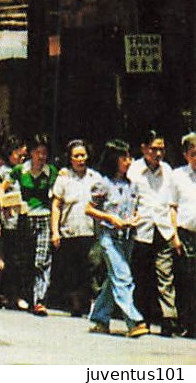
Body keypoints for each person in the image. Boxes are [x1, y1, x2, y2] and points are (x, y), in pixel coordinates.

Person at [87, 139, 149, 338]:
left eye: (129, 157)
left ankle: (100, 318)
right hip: (109, 237)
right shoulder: (103, 183)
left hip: (127, 237)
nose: (129, 162)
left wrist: (135, 218)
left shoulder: (131, 185)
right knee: (123, 277)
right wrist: (110, 218)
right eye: (124, 158)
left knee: (114, 278)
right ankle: (134, 321)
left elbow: (135, 208)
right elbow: (89, 208)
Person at [128, 129, 179, 336]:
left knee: (165, 275)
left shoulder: (168, 170)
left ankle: (169, 319)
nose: (158, 154)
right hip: (142, 229)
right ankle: (143, 318)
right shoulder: (134, 170)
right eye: (154, 149)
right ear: (144, 148)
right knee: (142, 276)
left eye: (162, 149)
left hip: (163, 228)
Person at [50, 139, 102, 317]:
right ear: (70, 158)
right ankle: (76, 305)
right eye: (76, 156)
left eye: (83, 155)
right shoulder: (64, 179)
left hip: (90, 231)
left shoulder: (96, 178)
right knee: (72, 270)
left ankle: (95, 304)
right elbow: (56, 205)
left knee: (92, 267)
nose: (80, 159)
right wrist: (55, 231)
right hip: (69, 231)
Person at [6, 135, 57, 314]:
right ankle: (24, 295)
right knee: (25, 258)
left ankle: (39, 299)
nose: (41, 156)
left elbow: (55, 197)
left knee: (41, 259)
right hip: (25, 218)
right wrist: (9, 206)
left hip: (44, 217)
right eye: (38, 152)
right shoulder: (20, 171)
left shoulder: (51, 171)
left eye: (44, 153)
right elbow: (4, 188)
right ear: (31, 153)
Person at [0, 136, 29, 309]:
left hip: (24, 219)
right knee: (13, 258)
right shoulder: (2, 172)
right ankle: (14, 295)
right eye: (20, 155)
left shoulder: (26, 171)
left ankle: (2, 294)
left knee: (18, 258)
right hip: (9, 220)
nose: (22, 159)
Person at [170, 132, 196, 338]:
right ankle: (186, 323)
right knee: (186, 279)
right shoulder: (178, 175)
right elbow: (172, 207)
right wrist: (175, 236)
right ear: (186, 155)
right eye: (193, 153)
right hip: (185, 234)